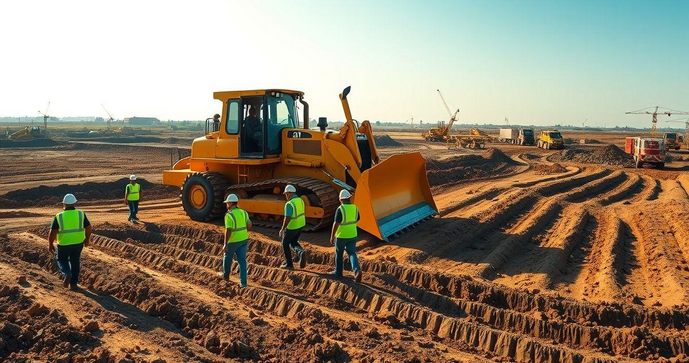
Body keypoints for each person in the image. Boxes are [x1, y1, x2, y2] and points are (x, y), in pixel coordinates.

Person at [48, 194, 91, 290]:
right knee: (75, 261)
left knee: (62, 260)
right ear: (75, 203)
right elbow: (88, 227)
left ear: (64, 204)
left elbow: (52, 232)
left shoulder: (59, 216)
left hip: (64, 243)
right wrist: (87, 239)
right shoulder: (81, 214)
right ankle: (74, 284)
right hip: (78, 243)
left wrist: (50, 244)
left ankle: (67, 273)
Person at [329, 190, 362, 282]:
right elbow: (358, 218)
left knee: (339, 254)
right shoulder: (355, 208)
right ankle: (357, 270)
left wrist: (332, 236)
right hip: (353, 234)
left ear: (341, 199)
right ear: (349, 198)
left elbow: (336, 224)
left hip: (341, 236)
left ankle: (338, 272)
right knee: (352, 253)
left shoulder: (340, 209)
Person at [222, 194, 251, 287]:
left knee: (227, 258)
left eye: (227, 203)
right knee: (242, 261)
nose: (226, 204)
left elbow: (228, 230)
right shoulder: (244, 212)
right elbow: (249, 224)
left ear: (230, 203)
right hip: (244, 239)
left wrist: (225, 244)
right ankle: (243, 283)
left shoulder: (229, 215)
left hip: (233, 241)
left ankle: (225, 276)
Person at [278, 185, 307, 269]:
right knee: (293, 241)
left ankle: (289, 264)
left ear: (289, 193)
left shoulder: (289, 204)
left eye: (286, 194)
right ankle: (301, 252)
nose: (286, 196)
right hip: (301, 225)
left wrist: (282, 228)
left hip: (292, 226)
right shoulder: (300, 200)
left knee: (285, 244)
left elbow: (287, 217)